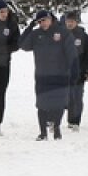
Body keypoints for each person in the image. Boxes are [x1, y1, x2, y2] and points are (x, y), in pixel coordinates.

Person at [19, 9, 77, 140]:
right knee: (42, 104)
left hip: (60, 75)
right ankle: (43, 132)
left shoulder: (63, 33)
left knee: (59, 104)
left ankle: (56, 128)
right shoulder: (36, 34)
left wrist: (73, 72)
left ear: (50, 19)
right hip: (42, 75)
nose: (42, 23)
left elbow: (72, 55)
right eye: (39, 22)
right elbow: (22, 44)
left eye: (44, 20)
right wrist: (30, 27)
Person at [0, 0, 21, 136]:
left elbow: (17, 43)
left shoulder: (11, 24)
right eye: (1, 12)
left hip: (4, 64)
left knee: (1, 93)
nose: (4, 14)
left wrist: (5, 49)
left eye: (6, 11)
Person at [63, 10, 88, 131]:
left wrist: (87, 70)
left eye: (72, 21)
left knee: (77, 97)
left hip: (79, 72)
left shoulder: (83, 36)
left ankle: (75, 121)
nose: (69, 23)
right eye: (67, 21)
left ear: (76, 22)